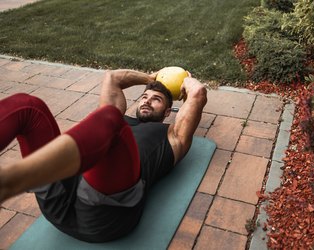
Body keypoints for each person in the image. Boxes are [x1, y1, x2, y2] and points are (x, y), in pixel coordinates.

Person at [0, 68, 207, 242]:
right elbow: (113, 77)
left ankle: (11, 181)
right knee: (28, 106)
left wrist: (185, 79)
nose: (146, 101)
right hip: (59, 197)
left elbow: (197, 92)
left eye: (156, 100)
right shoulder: (116, 119)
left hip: (106, 214)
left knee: (110, 118)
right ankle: (25, 178)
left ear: (168, 112)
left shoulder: (172, 136)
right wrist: (152, 78)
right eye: (144, 97)